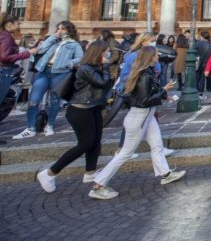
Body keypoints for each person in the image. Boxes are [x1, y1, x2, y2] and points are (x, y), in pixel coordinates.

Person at [89, 46, 184, 199]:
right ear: (150, 58)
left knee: (157, 145)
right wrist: (164, 91)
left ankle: (166, 173)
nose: (158, 57)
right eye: (156, 55)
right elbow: (144, 100)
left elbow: (146, 94)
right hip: (140, 117)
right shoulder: (144, 75)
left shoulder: (143, 72)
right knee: (125, 153)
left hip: (146, 116)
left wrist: (164, 94)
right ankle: (98, 185)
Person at [36, 40, 113, 192]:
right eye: (106, 51)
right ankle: (49, 173)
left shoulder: (94, 67)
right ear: (99, 53)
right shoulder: (85, 68)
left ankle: (90, 172)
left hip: (93, 107)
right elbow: (102, 83)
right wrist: (106, 67)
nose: (108, 54)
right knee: (85, 144)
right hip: (80, 110)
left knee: (96, 142)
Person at [14, 21, 83, 139]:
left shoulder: (74, 45)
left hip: (60, 73)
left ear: (69, 31)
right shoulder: (54, 41)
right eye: (58, 28)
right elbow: (41, 50)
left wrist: (67, 63)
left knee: (54, 101)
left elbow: (80, 58)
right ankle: (30, 128)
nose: (59, 31)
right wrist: (52, 38)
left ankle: (50, 125)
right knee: (33, 100)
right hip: (43, 71)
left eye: (62, 29)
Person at [1, 14, 37, 140]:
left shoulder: (4, 36)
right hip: (3, 71)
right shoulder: (6, 37)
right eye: (18, 23)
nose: (19, 26)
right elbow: (4, 57)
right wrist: (28, 53)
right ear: (9, 24)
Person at [195, 31, 211, 98]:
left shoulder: (197, 43)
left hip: (198, 62)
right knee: (203, 78)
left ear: (202, 37)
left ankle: (196, 90)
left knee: (197, 77)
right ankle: (200, 92)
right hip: (207, 63)